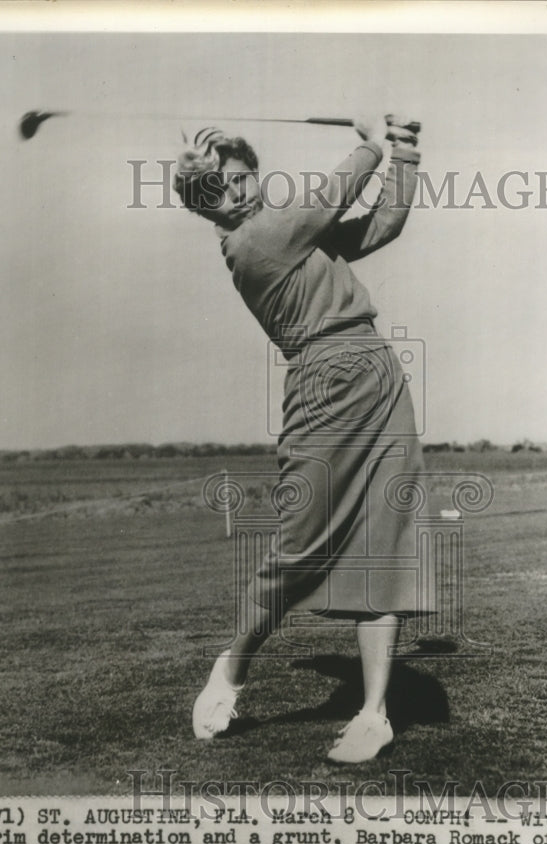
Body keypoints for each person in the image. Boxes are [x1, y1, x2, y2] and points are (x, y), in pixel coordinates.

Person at [174, 113, 430, 763]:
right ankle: (231, 670)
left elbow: (385, 223)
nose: (238, 192)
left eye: (242, 177)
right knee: (298, 548)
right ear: (206, 208)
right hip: (324, 380)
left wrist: (402, 153)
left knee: (383, 542)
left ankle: (373, 713)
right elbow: (331, 196)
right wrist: (371, 141)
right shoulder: (252, 243)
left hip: (376, 370)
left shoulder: (295, 239)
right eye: (220, 190)